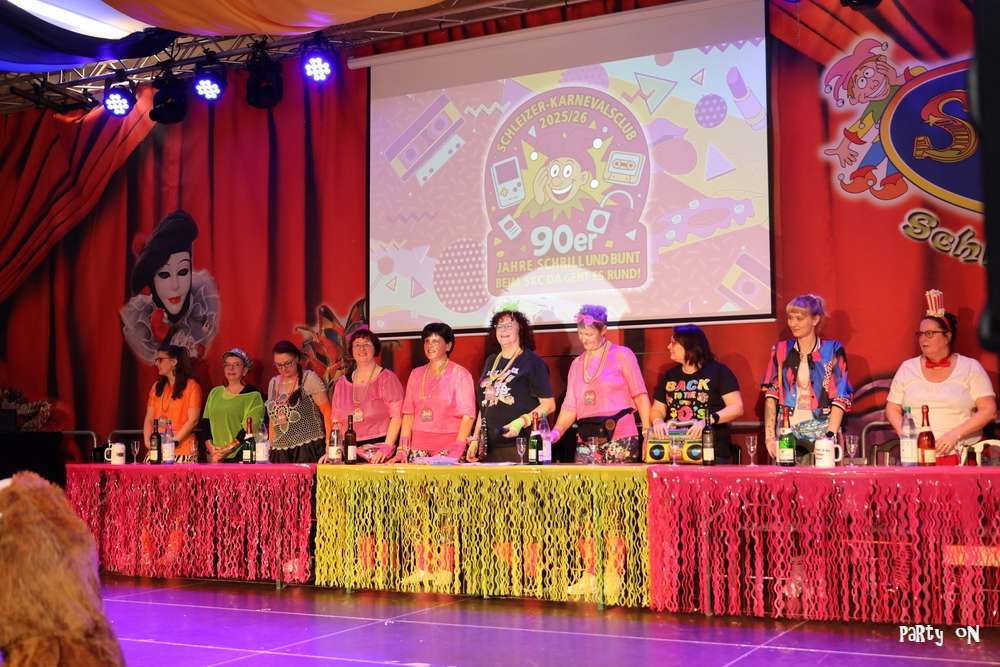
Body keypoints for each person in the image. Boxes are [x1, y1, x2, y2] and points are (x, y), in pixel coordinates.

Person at [885, 290, 997, 465]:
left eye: (929, 333)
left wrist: (955, 434)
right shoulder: (908, 368)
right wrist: (907, 436)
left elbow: (988, 410)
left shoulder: (970, 367)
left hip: (962, 455)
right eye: (920, 334)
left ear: (947, 337)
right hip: (917, 457)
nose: (923, 339)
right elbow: (892, 407)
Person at [549, 305, 652, 463]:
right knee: (584, 479)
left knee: (617, 479)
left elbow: (640, 395)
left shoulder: (622, 355)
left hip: (620, 437)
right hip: (586, 439)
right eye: (580, 333)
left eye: (589, 334)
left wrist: (647, 432)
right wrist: (556, 432)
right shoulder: (577, 364)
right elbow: (570, 407)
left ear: (603, 330)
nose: (584, 339)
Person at [761, 294, 852, 464]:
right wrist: (770, 437)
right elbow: (771, 394)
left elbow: (841, 396)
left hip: (823, 429)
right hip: (787, 430)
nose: (793, 323)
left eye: (799, 318)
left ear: (815, 319)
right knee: (786, 478)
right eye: (790, 318)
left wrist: (829, 436)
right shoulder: (781, 349)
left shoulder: (832, 349)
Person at [120, 210, 219, 364]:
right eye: (164, 274)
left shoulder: (202, 305)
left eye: (183, 271)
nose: (175, 286)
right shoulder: (141, 325)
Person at [469, 310, 555, 463]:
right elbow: (485, 405)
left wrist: (521, 422)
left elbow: (549, 405)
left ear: (520, 329)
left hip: (521, 444)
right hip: (490, 447)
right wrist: (476, 438)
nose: (503, 330)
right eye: (499, 326)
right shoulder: (491, 361)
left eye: (509, 325)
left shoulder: (532, 361)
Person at [650, 324, 743, 463]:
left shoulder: (718, 372)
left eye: (673, 343)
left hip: (711, 451)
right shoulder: (670, 376)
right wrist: (657, 421)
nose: (668, 347)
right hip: (675, 451)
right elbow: (657, 409)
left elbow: (737, 408)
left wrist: (706, 421)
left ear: (689, 345)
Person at [395, 323, 476, 461]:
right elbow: (408, 413)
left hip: (449, 447)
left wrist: (458, 448)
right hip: (418, 446)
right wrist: (402, 448)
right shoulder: (416, 374)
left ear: (448, 346)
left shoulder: (460, 374)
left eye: (435, 341)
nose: (430, 345)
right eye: (427, 341)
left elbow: (468, 416)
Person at [327, 329, 404, 463]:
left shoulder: (387, 378)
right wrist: (331, 452)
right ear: (351, 350)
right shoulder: (341, 383)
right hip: (348, 450)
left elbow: (397, 416)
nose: (361, 348)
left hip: (380, 450)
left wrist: (386, 448)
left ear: (375, 348)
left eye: (366, 344)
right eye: (357, 344)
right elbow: (336, 423)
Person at [265, 340, 330, 463]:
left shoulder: (309, 378)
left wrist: (329, 443)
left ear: (297, 359)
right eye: (279, 365)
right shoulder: (273, 383)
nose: (283, 369)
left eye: (287, 363)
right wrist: (270, 445)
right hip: (280, 450)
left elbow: (327, 411)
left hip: (307, 447)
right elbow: (272, 420)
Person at [202, 348, 266, 463]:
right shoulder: (215, 393)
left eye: (236, 365)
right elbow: (205, 422)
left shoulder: (253, 395)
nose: (231, 368)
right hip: (215, 456)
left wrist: (227, 450)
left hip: (241, 456)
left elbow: (249, 429)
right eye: (227, 365)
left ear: (244, 370)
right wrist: (211, 449)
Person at [143, 343, 202, 462]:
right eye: (156, 360)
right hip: (156, 451)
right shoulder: (156, 387)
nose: (156, 363)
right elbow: (149, 419)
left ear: (174, 362)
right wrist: (148, 443)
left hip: (182, 451)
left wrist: (172, 443)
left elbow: (193, 421)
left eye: (160, 360)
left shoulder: (192, 387)